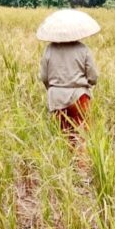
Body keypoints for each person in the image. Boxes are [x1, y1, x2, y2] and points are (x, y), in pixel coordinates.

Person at [37, 9, 100, 140]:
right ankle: (82, 161)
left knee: (63, 136)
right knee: (82, 136)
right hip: (79, 97)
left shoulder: (49, 50)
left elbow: (44, 77)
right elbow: (93, 76)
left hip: (56, 98)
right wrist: (88, 84)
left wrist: (53, 88)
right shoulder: (83, 50)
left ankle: (65, 160)